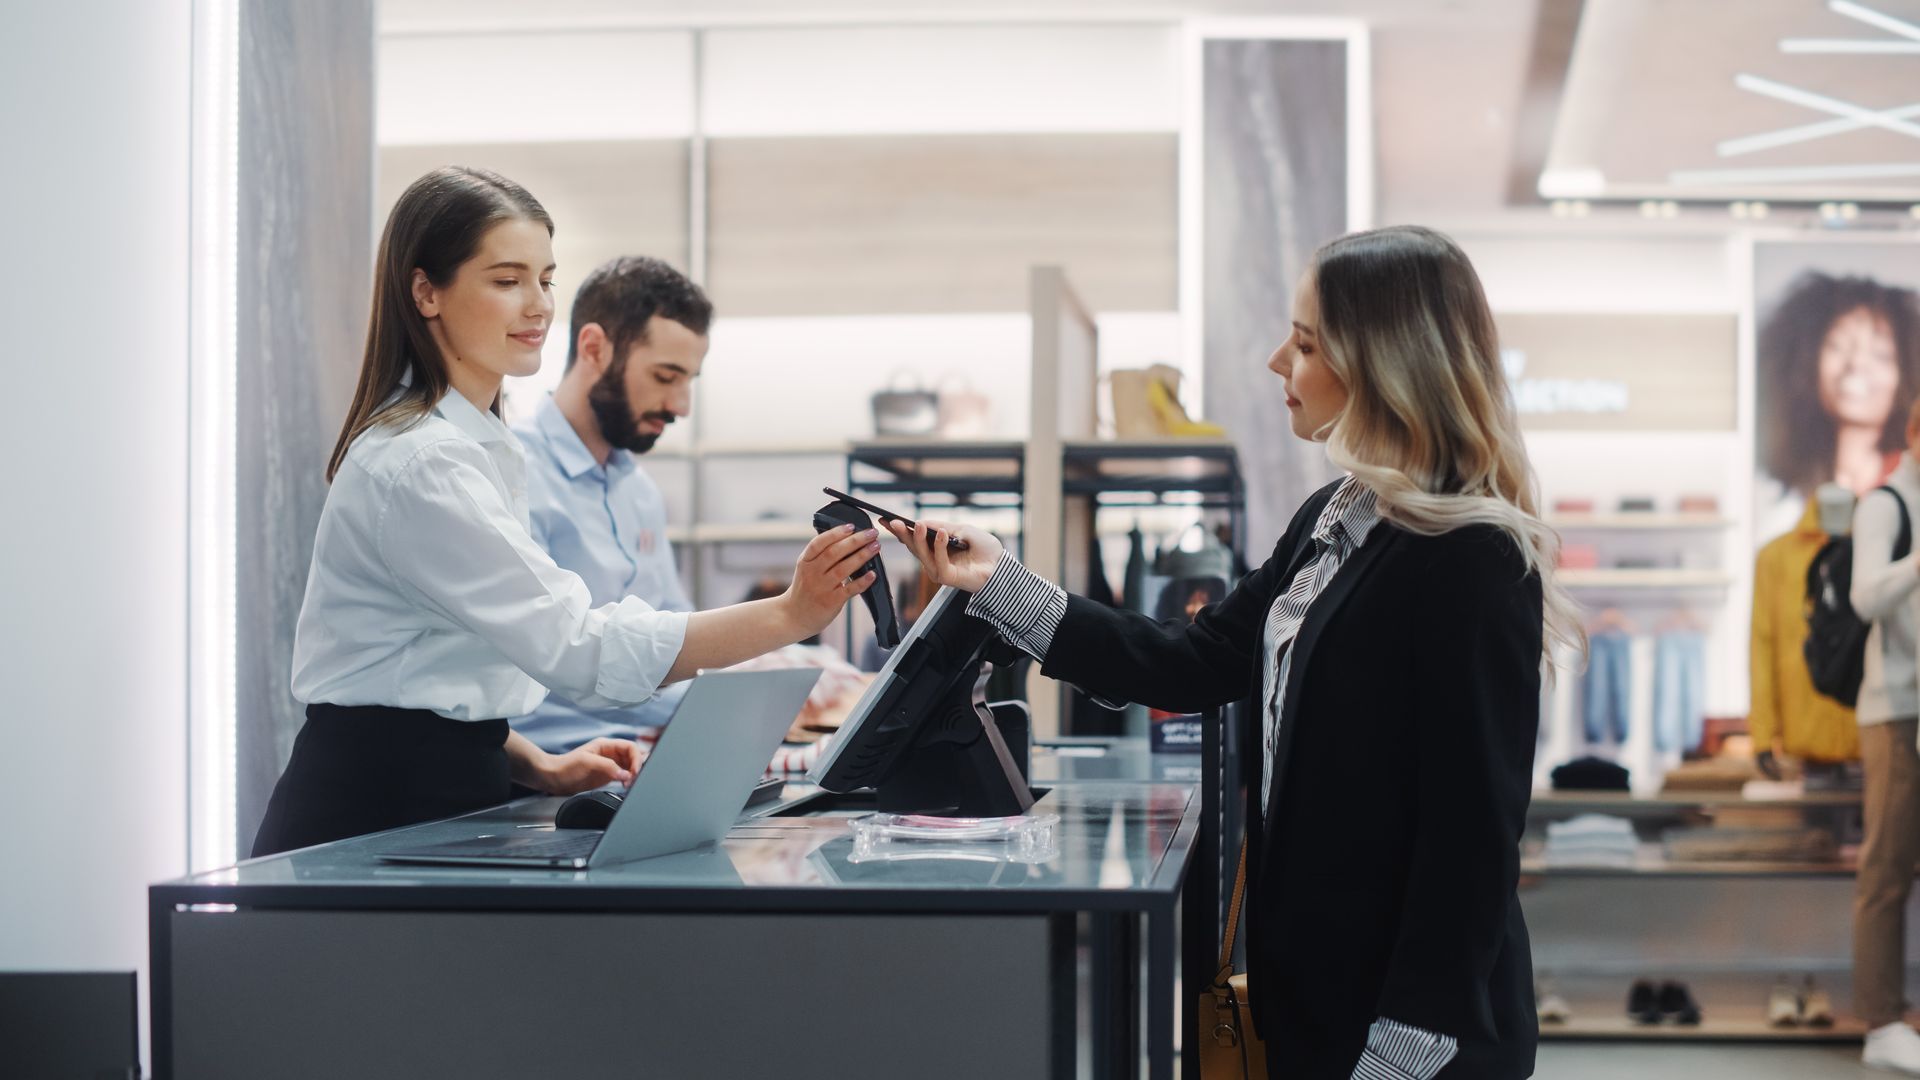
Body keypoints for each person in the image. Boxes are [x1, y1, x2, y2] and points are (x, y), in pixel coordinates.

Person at [889, 225, 1573, 1079]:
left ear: (1385, 361)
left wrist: (1404, 1049)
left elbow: (1472, 837)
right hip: (1317, 995)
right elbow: (1197, 658)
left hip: (1407, 1031)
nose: (1277, 361)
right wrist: (1000, 582)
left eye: (1308, 341)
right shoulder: (1339, 516)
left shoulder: (1469, 556)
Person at [252, 166, 881, 857]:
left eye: (545, 279)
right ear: (426, 292)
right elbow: (579, 647)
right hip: (373, 813)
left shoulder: (475, 446)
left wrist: (535, 763)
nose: (538, 305)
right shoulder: (423, 464)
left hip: (450, 788)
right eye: (506, 280)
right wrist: (789, 613)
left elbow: (435, 676)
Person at [510, 255, 860, 757]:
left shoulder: (639, 493)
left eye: (688, 381)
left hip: (650, 756)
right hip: (549, 773)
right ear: (593, 348)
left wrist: (770, 663)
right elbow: (566, 661)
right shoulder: (512, 475)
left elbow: (675, 628)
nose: (680, 406)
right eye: (665, 376)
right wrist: (745, 685)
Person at [1843, 398, 1920, 1074]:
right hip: (1898, 710)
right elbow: (1866, 597)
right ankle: (1881, 1021)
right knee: (1888, 868)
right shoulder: (1886, 506)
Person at [1756, 271, 1920, 541]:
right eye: (1838, 346)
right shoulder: (1776, 492)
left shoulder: (1906, 487)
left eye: (1881, 354)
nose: (1856, 364)